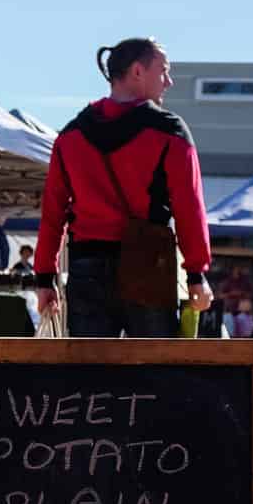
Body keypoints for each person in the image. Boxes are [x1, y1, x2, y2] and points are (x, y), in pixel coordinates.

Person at [34, 38, 212, 334]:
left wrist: (44, 278)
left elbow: (53, 212)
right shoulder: (170, 131)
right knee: (153, 372)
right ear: (138, 71)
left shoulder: (70, 136)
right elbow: (189, 207)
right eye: (163, 71)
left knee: (91, 377)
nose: (169, 81)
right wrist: (196, 273)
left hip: (86, 267)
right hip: (149, 265)